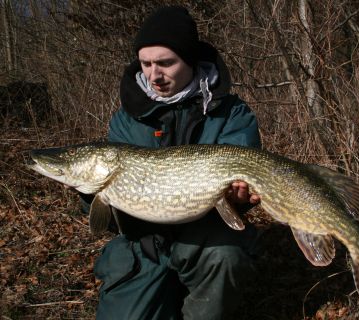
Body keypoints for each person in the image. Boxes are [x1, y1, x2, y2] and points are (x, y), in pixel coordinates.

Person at [87, 5, 262, 320]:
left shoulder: (231, 113)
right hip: (144, 245)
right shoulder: (126, 120)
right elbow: (113, 215)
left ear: (190, 61)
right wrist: (90, 195)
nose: (154, 75)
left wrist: (239, 200)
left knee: (224, 257)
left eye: (166, 63)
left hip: (205, 238)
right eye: (145, 64)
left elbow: (244, 191)